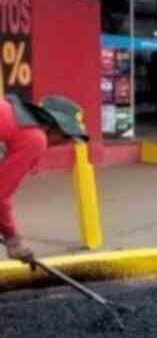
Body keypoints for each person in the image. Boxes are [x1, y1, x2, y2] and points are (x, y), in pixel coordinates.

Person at [0, 95, 90, 263]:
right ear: (52, 126)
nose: (63, 144)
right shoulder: (34, 138)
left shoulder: (10, 111)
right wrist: (13, 241)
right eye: (65, 137)